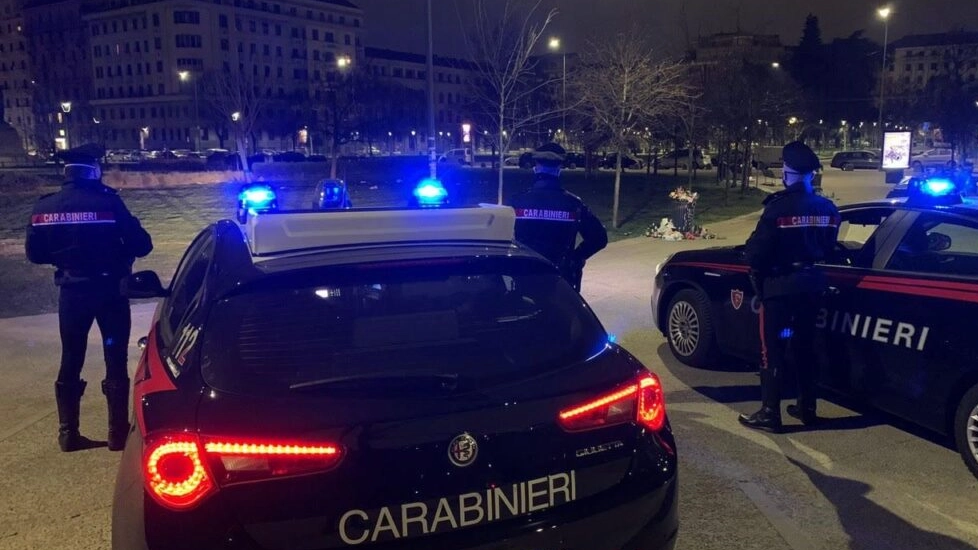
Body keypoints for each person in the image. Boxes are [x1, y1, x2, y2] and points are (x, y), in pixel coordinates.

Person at [25, 150, 153, 452]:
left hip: (72, 292)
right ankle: (117, 433)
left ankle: (68, 433)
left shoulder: (45, 206)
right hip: (110, 290)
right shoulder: (109, 202)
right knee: (115, 357)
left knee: (71, 357)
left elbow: (35, 254)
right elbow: (142, 245)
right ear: (93, 170)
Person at [739, 141, 840, 433]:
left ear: (787, 171)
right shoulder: (829, 209)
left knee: (772, 351)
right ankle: (807, 407)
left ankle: (770, 412)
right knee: (806, 347)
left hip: (780, 288)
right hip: (813, 288)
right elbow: (829, 247)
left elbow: (757, 253)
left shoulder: (777, 209)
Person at [510, 142, 608, 292]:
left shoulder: (516, 202)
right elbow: (599, 238)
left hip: (526, 277)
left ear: (536, 167)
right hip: (561, 282)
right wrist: (575, 258)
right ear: (559, 169)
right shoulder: (573, 204)